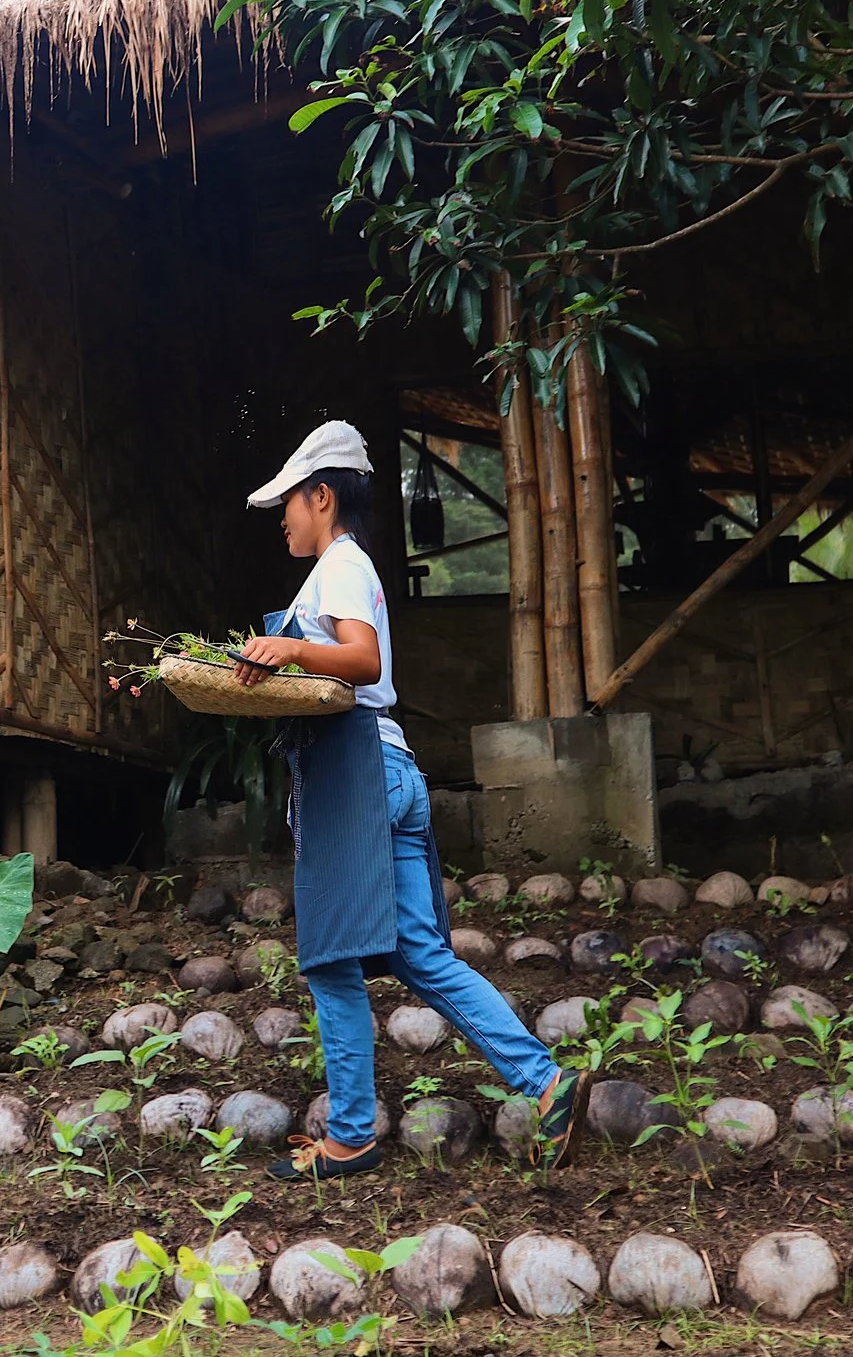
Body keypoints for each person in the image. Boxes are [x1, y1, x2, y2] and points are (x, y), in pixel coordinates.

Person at [232, 420, 582, 1179]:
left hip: (356, 776)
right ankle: (548, 1083)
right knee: (419, 953)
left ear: (322, 497)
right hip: (383, 770)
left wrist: (288, 647)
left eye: (290, 503)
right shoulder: (340, 568)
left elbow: (362, 660)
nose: (284, 518)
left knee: (330, 961)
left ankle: (352, 1133)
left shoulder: (341, 567)